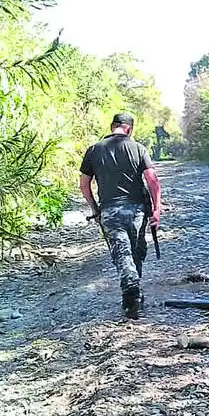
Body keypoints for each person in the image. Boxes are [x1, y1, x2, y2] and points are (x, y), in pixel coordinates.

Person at [79, 113, 162, 318]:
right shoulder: (138, 148)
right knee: (136, 251)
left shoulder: (94, 150)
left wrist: (94, 208)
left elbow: (84, 184)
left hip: (109, 211)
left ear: (112, 127)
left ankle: (131, 289)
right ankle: (134, 289)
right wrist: (157, 208)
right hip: (137, 211)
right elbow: (152, 180)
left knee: (121, 252)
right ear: (129, 129)